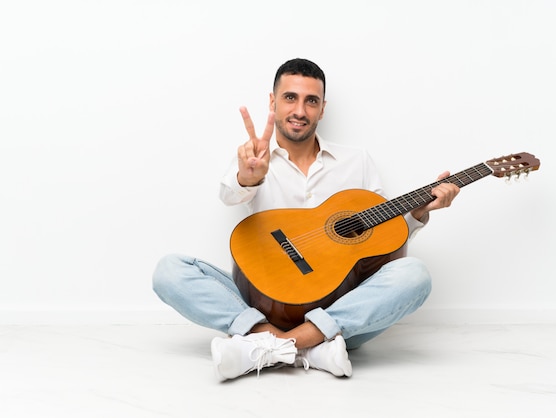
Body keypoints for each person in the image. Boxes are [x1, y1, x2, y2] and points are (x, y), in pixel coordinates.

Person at [152, 58, 460, 381]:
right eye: (290, 98)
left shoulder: (357, 161)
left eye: (311, 101)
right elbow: (231, 194)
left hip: (335, 309)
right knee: (169, 271)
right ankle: (308, 349)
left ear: (322, 109)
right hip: (261, 301)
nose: (300, 110)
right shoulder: (255, 159)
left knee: (415, 275)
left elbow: (380, 242)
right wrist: (247, 177)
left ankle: (271, 346)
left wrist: (419, 212)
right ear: (272, 101)